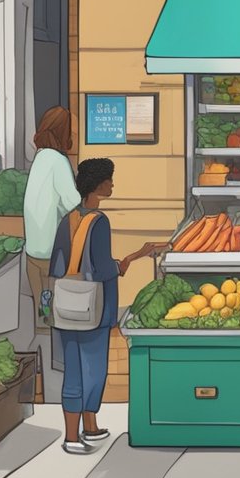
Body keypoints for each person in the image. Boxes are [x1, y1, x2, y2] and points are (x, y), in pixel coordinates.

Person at [49, 158, 167, 454]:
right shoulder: (99, 221)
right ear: (99, 184)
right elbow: (103, 269)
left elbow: (58, 263)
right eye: (110, 180)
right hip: (94, 308)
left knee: (74, 369)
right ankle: (73, 438)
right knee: (93, 371)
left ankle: (87, 428)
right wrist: (134, 257)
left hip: (66, 306)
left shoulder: (69, 218)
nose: (112, 185)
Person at [25, 107, 81, 332]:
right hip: (52, 250)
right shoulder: (58, 161)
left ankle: (42, 346)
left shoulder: (40, 158)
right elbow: (72, 200)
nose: (74, 136)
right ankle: (55, 357)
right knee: (54, 310)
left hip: (33, 249)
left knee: (42, 309)